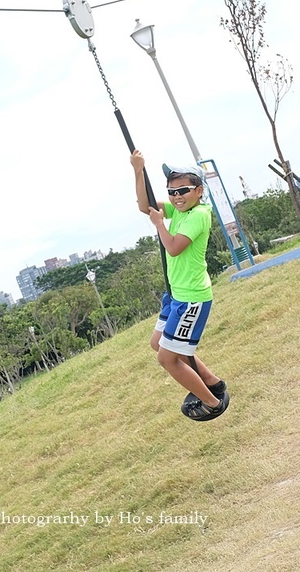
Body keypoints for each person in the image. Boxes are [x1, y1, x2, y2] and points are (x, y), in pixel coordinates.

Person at [130, 151, 230, 421]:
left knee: (168, 358)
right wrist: (138, 170)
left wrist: (160, 225)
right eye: (172, 192)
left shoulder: (199, 214)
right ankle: (211, 382)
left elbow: (173, 248)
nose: (176, 197)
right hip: (176, 295)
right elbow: (146, 207)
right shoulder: (181, 209)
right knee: (158, 344)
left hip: (191, 298)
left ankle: (212, 402)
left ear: (198, 191)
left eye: (183, 191)